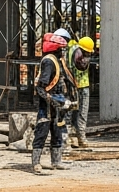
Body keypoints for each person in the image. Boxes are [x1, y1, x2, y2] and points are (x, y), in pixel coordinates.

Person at [33, 29, 76, 174]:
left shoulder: (57, 61)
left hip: (57, 104)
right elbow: (41, 87)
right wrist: (51, 100)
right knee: (42, 131)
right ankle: (36, 164)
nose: (63, 52)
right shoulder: (49, 62)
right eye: (61, 49)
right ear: (55, 48)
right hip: (47, 105)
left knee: (57, 131)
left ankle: (56, 161)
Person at [65, 36, 95, 148]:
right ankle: (79, 137)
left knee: (72, 112)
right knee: (80, 113)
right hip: (79, 86)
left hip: (73, 85)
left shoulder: (71, 49)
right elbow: (81, 66)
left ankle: (71, 138)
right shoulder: (78, 55)